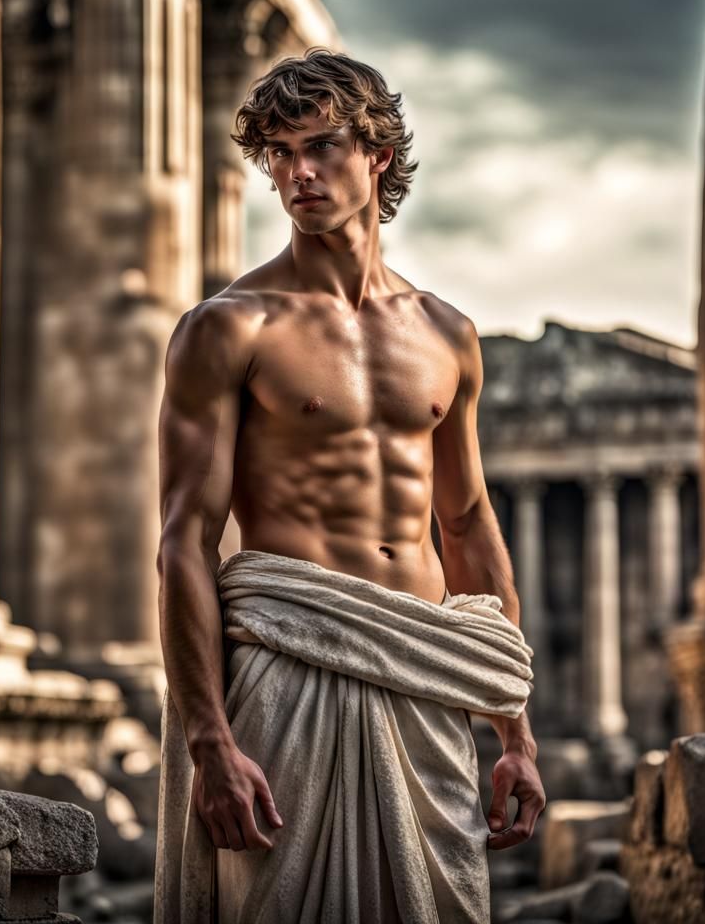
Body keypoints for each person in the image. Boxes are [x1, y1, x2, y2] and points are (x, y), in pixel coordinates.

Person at [154, 49, 545, 924]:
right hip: (286, 672)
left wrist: (514, 731)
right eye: (279, 155)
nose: (299, 173)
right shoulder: (228, 328)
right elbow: (183, 539)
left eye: (321, 145)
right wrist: (208, 741)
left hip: (422, 679)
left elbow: (470, 524)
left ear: (376, 155)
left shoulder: (449, 334)